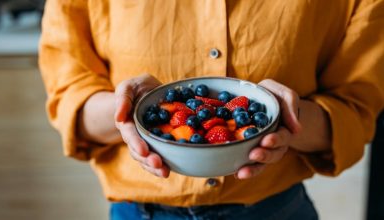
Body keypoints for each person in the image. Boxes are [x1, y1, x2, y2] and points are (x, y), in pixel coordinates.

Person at [39, 0, 384, 219]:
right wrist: (125, 111)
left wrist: (284, 120)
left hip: (276, 210)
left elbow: (354, 113)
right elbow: (70, 100)